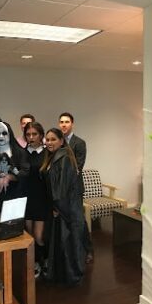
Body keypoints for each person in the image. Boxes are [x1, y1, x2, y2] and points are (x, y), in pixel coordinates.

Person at [41, 127, 86, 286]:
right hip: (60, 208)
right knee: (61, 244)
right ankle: (59, 275)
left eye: (53, 139)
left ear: (61, 141)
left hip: (66, 209)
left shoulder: (64, 158)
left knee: (68, 244)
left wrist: (57, 208)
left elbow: (62, 189)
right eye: (47, 139)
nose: (49, 142)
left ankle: (71, 277)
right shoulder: (54, 157)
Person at [58, 112, 93, 262]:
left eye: (67, 122)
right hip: (60, 190)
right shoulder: (57, 142)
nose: (64, 124)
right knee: (65, 220)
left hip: (74, 189)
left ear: (72, 124)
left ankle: (88, 250)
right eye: (61, 122)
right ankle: (71, 251)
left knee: (79, 221)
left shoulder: (79, 143)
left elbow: (77, 167)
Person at [0, 121, 29, 220]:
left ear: (9, 134)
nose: (1, 136)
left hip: (14, 198)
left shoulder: (20, 152)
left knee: (13, 226)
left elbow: (25, 173)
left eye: (4, 133)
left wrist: (9, 177)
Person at [24, 122, 49, 274]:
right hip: (25, 199)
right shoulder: (22, 153)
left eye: (34, 134)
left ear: (41, 135)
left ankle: (44, 260)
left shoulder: (47, 153)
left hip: (41, 198)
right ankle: (34, 264)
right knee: (29, 235)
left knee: (39, 236)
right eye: (28, 134)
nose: (31, 137)